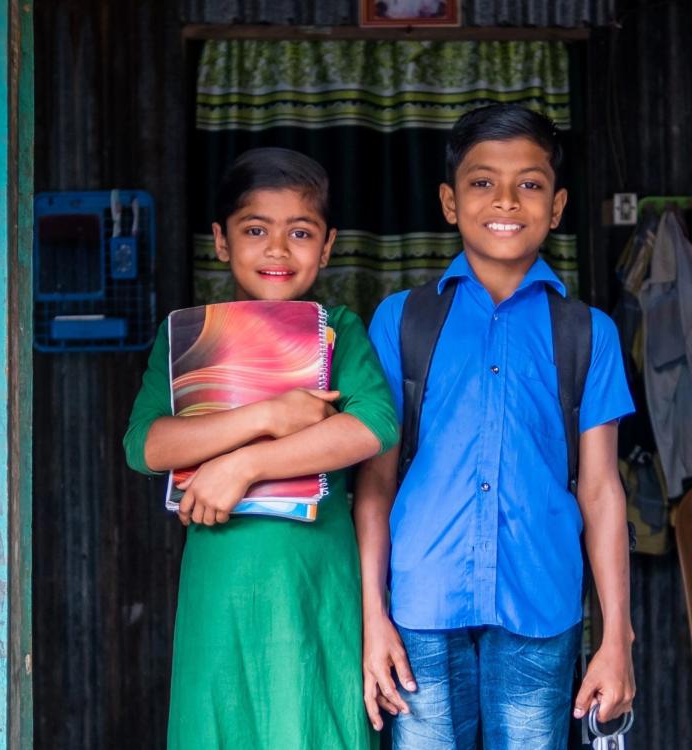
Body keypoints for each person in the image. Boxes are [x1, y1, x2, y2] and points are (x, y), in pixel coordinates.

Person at [355, 104, 637, 749]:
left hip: (541, 607)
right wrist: (372, 613)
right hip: (419, 610)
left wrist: (616, 637)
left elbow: (600, 491)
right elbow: (374, 485)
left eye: (530, 184)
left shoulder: (588, 333)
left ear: (558, 205)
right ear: (450, 202)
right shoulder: (402, 321)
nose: (506, 199)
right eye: (482, 182)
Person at [124, 147, 398, 750]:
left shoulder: (338, 331)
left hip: (317, 582)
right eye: (256, 230)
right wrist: (269, 415)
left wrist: (242, 467)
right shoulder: (187, 341)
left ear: (326, 247)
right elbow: (145, 446)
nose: (278, 249)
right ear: (221, 241)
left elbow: (373, 427)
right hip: (219, 585)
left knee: (313, 724)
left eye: (301, 232)